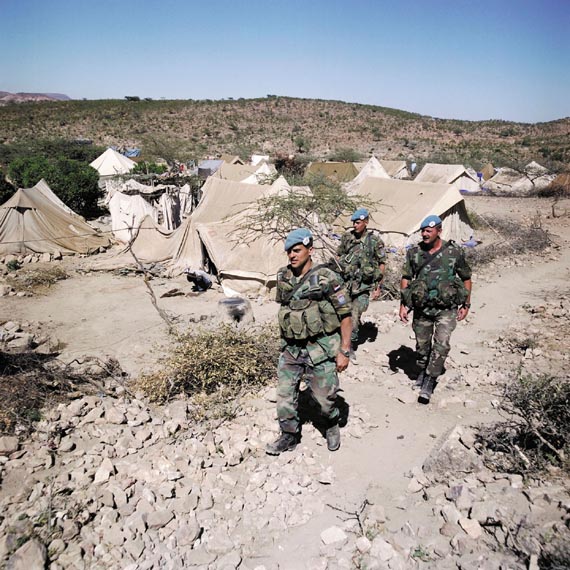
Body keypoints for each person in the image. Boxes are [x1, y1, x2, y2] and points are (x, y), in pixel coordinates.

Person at [266, 228, 353, 455]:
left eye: (297, 250)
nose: (292, 256)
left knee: (324, 401)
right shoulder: (283, 276)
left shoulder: (327, 278)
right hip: (293, 348)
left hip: (321, 347)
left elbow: (345, 315)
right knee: (285, 393)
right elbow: (286, 308)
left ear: (310, 250)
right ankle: (289, 435)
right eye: (289, 252)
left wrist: (344, 350)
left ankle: (332, 423)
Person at [399, 215, 472, 404]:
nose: (424, 234)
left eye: (428, 231)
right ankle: (423, 370)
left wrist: (466, 303)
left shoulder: (454, 252)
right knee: (422, 347)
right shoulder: (414, 253)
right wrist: (403, 304)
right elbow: (406, 277)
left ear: (439, 231)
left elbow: (466, 278)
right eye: (422, 231)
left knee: (441, 344)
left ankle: (429, 381)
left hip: (446, 309)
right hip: (422, 308)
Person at [337, 208, 386, 353]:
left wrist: (378, 287)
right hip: (346, 285)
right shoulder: (347, 238)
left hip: (363, 287)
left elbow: (382, 263)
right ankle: (340, 340)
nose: (355, 225)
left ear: (366, 222)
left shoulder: (375, 241)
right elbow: (339, 256)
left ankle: (349, 347)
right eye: (353, 222)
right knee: (341, 312)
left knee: (354, 312)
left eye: (358, 222)